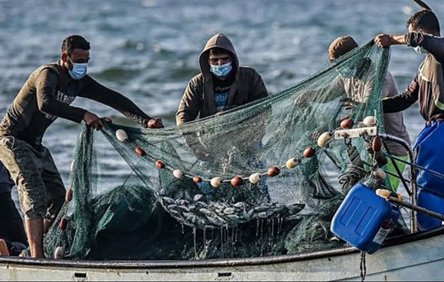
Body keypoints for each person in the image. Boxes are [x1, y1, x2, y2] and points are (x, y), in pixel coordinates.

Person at [0, 35, 163, 258]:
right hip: (11, 140)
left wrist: (145, 120)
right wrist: (83, 115)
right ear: (65, 57)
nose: (83, 65)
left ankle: (29, 250)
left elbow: (112, 98)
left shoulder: (78, 83)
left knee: (58, 200)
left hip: (36, 145)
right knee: (33, 192)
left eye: (86, 60)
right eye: (78, 60)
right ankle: (38, 258)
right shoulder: (47, 74)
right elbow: (45, 102)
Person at [374, 9, 444, 230]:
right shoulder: (423, 67)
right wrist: (372, 105)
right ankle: (440, 233)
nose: (414, 45)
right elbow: (405, 99)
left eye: (413, 35)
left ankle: (428, 235)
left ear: (422, 32)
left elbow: (417, 40)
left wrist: (391, 39)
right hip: (436, 132)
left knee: (430, 188)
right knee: (432, 189)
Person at [176, 33, 270, 203]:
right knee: (209, 192)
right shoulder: (197, 84)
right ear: (208, 62)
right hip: (211, 148)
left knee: (255, 187)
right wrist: (196, 147)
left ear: (233, 59)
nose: (220, 64)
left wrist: (247, 137)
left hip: (248, 146)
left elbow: (264, 110)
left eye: (224, 59)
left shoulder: (250, 77)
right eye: (215, 61)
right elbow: (183, 116)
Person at [328, 36, 411, 192]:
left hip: (392, 149)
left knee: (385, 195)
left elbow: (370, 109)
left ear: (356, 57)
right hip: (367, 150)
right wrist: (306, 98)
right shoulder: (346, 77)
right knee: (364, 193)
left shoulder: (379, 76)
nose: (339, 68)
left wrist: (357, 108)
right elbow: (326, 93)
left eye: (341, 63)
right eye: (335, 64)